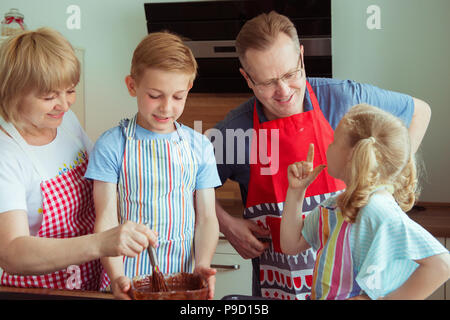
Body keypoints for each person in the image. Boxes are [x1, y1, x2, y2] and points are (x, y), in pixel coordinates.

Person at [210, 11, 431, 299]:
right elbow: (186, 183)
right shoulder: (234, 131)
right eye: (267, 82)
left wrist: (388, 188)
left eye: (291, 74)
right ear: (247, 78)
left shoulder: (345, 99)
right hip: (281, 288)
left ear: (302, 56)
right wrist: (227, 225)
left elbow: (420, 112)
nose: (284, 91)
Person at [0, 27, 157, 291]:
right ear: (11, 92)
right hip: (39, 291)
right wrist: (100, 243)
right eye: (49, 96)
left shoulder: (65, 122)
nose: (64, 104)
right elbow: (11, 252)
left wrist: (115, 274)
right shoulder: (7, 155)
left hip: (89, 281)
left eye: (70, 90)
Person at [85, 31, 221, 299]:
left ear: (189, 88)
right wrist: (116, 277)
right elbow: (106, 220)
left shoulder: (199, 146)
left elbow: (206, 217)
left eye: (178, 97)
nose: (166, 108)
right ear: (132, 85)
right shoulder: (112, 145)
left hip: (183, 279)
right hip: (128, 276)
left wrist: (202, 263)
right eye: (155, 95)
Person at [280, 104, 450, 300]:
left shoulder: (376, 209)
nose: (328, 146)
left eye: (334, 141)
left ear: (353, 155)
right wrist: (296, 191)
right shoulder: (335, 205)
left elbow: (442, 265)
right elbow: (290, 244)